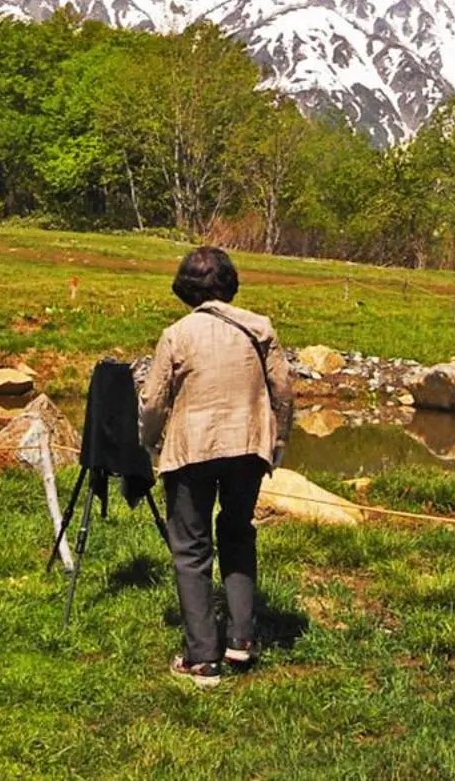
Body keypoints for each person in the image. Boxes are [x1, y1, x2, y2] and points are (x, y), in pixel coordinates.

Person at [138, 246, 294, 689]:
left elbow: (152, 401)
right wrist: (278, 438)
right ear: (230, 282)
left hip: (192, 448)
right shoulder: (259, 326)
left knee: (190, 548)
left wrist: (148, 443)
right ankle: (241, 639)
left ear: (184, 287)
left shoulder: (177, 334)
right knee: (239, 532)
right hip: (247, 446)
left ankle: (202, 658)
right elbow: (283, 388)